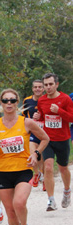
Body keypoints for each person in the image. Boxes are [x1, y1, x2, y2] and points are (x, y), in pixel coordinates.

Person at [0, 89, 49, 225]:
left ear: (17, 102)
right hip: (3, 171)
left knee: (19, 203)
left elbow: (45, 138)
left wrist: (36, 154)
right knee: (10, 211)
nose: (9, 103)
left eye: (12, 100)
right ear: (1, 103)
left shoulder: (26, 122)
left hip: (23, 169)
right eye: (5, 100)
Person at [34, 73, 73, 211]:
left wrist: (60, 111)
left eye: (51, 84)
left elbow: (72, 118)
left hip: (62, 139)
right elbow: (43, 118)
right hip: (48, 139)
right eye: (46, 85)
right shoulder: (42, 101)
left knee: (63, 168)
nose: (48, 87)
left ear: (57, 84)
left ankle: (67, 191)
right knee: (48, 167)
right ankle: (51, 200)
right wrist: (37, 117)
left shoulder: (65, 99)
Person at [23, 79, 45, 187]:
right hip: (32, 132)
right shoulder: (27, 101)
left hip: (45, 132)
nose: (37, 89)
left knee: (42, 156)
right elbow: (23, 115)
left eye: (40, 87)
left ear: (43, 89)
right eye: (35, 87)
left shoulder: (47, 100)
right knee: (33, 153)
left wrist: (41, 117)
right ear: (32, 89)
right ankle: (36, 174)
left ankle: (44, 176)